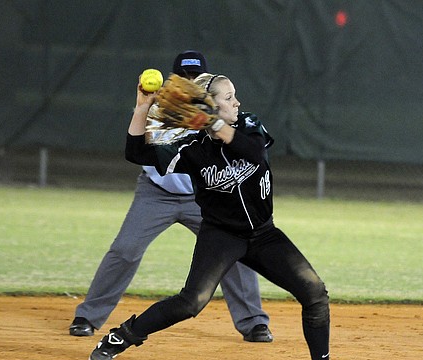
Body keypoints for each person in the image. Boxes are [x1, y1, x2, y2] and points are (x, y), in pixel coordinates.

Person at [87, 71, 356, 360]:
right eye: (229, 98)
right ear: (211, 105)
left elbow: (253, 152)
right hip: (221, 235)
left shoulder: (250, 125)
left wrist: (213, 123)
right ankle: (120, 337)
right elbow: (136, 153)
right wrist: (142, 107)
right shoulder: (190, 146)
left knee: (314, 293)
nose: (237, 102)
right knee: (191, 302)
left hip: (264, 234)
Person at [69, 51, 273, 344]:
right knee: (125, 249)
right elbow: (142, 149)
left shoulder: (219, 111)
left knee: (234, 252)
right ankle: (88, 316)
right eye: (185, 76)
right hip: (157, 192)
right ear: (175, 78)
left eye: (196, 77)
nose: (190, 81)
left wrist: (211, 120)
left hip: (204, 197)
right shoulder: (161, 107)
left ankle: (254, 323)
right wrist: (151, 108)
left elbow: (237, 146)